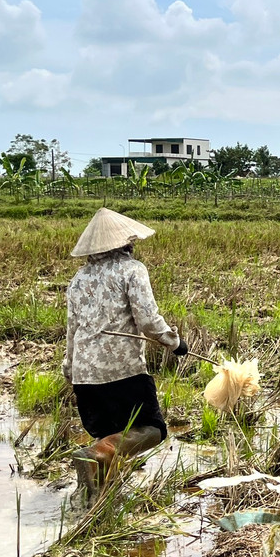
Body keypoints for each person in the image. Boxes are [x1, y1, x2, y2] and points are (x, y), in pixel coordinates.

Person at [63, 208, 187, 494]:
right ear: (124, 242)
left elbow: (72, 329)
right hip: (122, 371)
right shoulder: (132, 270)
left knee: (110, 438)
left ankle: (94, 506)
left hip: (85, 375)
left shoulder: (78, 279)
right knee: (152, 429)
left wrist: (69, 369)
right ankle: (100, 452)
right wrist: (174, 342)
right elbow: (147, 319)